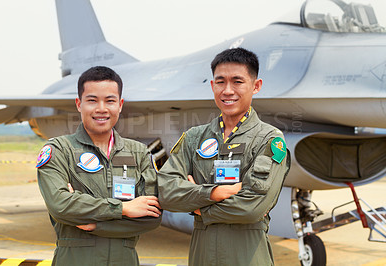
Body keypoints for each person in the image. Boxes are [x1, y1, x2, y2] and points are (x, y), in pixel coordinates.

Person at [158, 48, 290, 266]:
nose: (228, 90)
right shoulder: (194, 138)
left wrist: (196, 204)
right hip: (202, 256)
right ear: (212, 86)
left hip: (247, 255)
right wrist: (215, 192)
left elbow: (252, 207)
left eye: (237, 81)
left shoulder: (269, 139)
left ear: (256, 86)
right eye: (220, 82)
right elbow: (165, 192)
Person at [37, 66, 161, 266]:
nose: (101, 108)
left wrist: (93, 223)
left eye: (110, 101)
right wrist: (123, 208)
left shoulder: (139, 153)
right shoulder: (60, 150)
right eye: (92, 100)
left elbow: (152, 217)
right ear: (79, 104)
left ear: (120, 105)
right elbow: (60, 205)